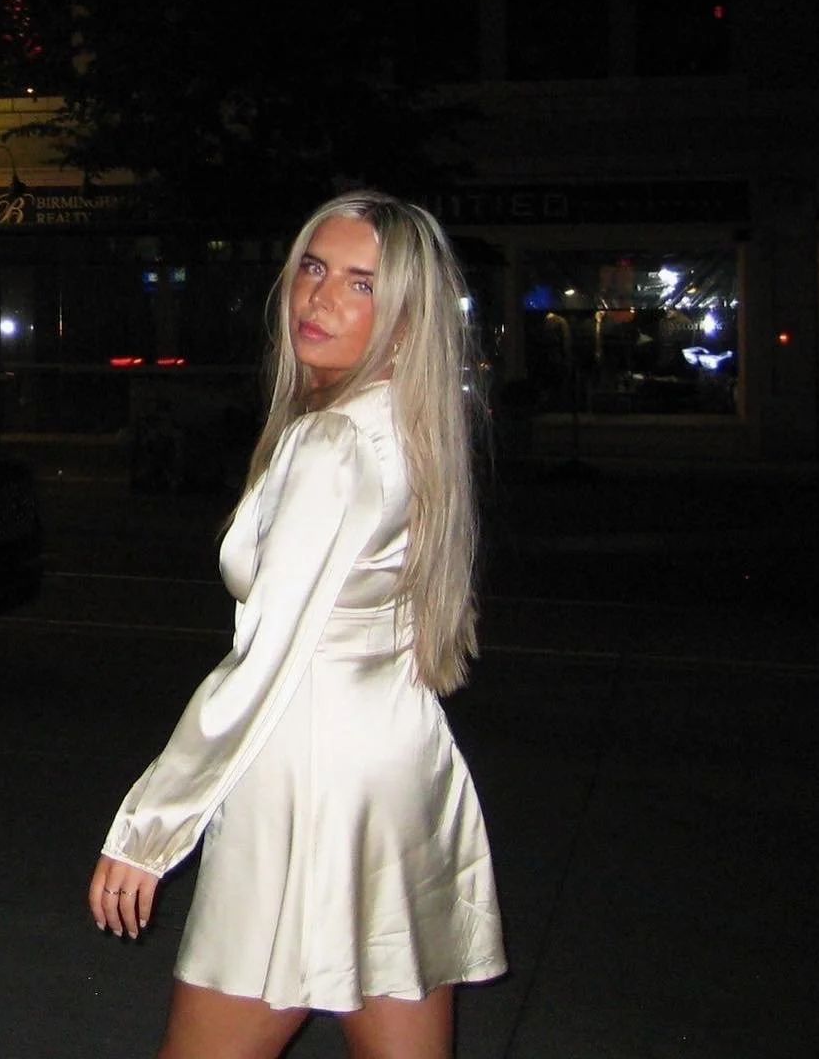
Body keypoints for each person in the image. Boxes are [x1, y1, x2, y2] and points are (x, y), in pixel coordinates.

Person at [88, 190, 506, 1059]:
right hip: (396, 766)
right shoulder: (407, 424)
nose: (321, 299)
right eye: (314, 269)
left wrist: (151, 828)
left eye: (361, 283)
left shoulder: (336, 447)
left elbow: (265, 665)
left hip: (305, 780)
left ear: (402, 317)